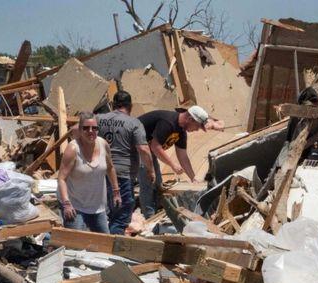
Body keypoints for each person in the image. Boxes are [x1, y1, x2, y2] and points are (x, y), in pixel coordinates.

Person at [137, 106, 224, 218]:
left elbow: (183, 156)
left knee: (157, 182)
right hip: (134, 147)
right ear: (190, 119)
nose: (197, 129)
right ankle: (149, 217)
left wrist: (193, 178)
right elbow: (155, 146)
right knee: (148, 181)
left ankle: (156, 210)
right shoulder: (168, 122)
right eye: (197, 126)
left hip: (147, 150)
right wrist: (172, 165)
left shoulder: (181, 131)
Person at [97, 91, 155, 234]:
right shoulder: (134, 123)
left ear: (112, 104)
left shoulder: (98, 119)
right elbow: (143, 149)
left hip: (99, 172)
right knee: (122, 215)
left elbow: (78, 132)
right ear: (131, 106)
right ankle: (112, 247)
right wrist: (150, 170)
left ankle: (102, 242)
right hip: (122, 174)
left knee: (107, 212)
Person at [58, 112, 121, 233]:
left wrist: (116, 192)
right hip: (75, 206)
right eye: (86, 128)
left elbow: (110, 167)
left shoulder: (103, 144)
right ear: (80, 129)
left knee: (104, 244)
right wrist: (66, 204)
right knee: (76, 246)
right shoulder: (73, 149)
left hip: (98, 207)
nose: (90, 131)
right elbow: (61, 178)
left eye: (94, 128)